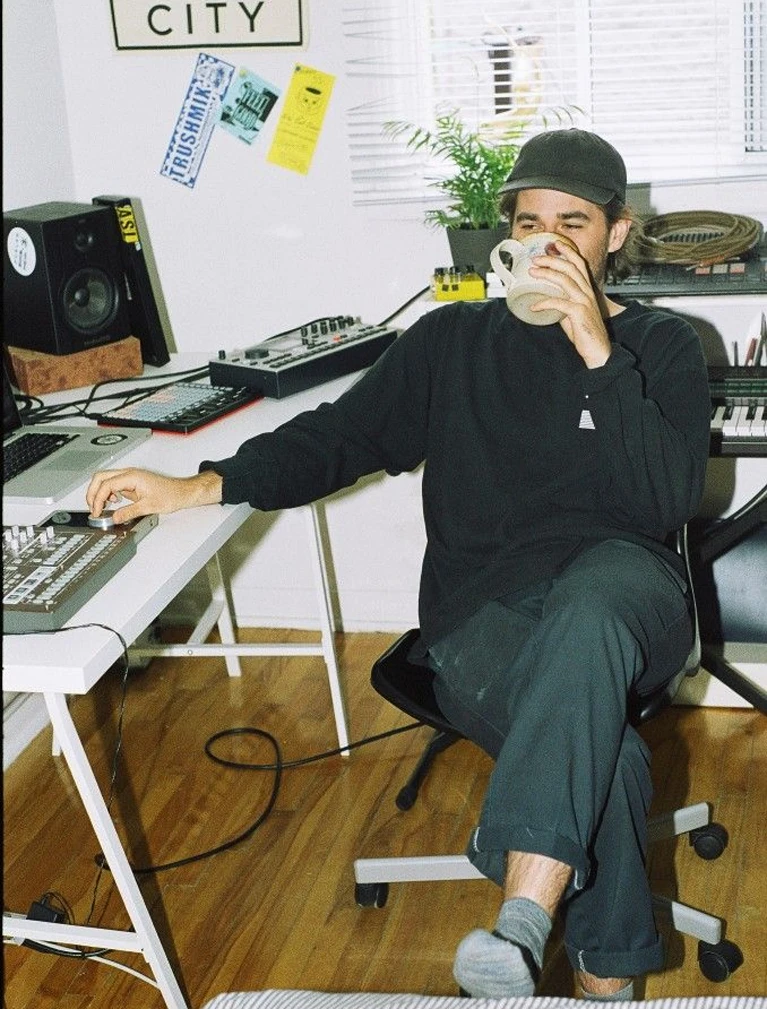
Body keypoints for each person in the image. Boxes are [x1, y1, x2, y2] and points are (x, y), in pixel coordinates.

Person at [87, 129, 712, 999]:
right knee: (604, 763)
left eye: (572, 223)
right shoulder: (450, 341)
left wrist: (595, 350)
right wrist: (197, 484)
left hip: (625, 592)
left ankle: (520, 924)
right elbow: (339, 437)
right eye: (529, 223)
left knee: (591, 610)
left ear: (615, 232)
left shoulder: (665, 346)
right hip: (483, 613)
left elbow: (662, 501)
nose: (548, 244)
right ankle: (595, 975)